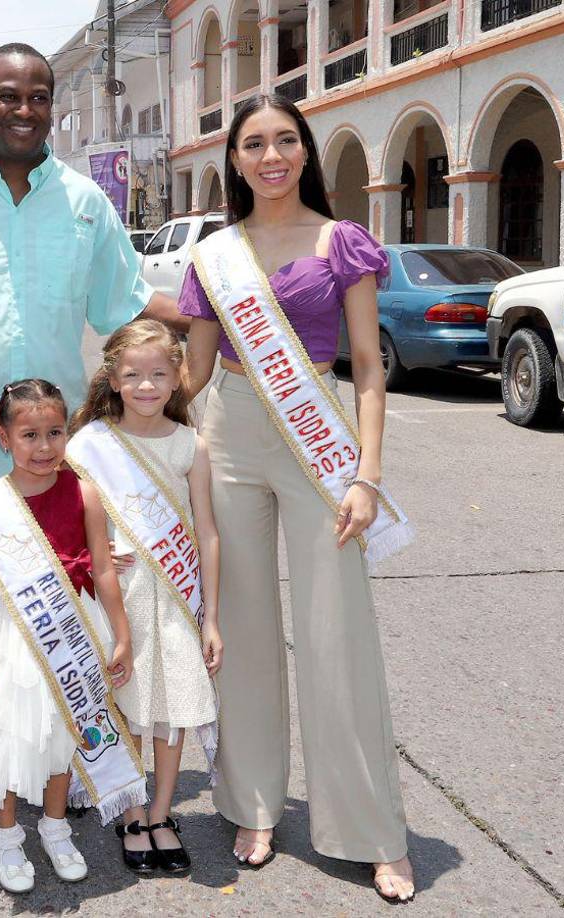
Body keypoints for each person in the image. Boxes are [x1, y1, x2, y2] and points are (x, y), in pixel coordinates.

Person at [0, 41, 182, 825]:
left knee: (61, 615)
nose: (25, 110)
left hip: (55, 461)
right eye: (9, 96)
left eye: (39, 96)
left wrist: (211, 325)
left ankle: (60, 762)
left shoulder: (87, 204)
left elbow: (124, 306)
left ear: (53, 106)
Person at [180, 92, 416, 902]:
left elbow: (367, 363)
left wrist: (368, 473)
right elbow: (195, 375)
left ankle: (372, 828)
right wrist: (126, 422)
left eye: (285, 141)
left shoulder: (339, 241)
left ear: (305, 151)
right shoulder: (216, 254)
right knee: (239, 628)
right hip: (232, 434)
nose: (271, 156)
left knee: (336, 633)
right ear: (235, 159)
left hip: (316, 431)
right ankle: (251, 804)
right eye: (254, 144)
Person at [0, 379, 142, 894]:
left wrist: (120, 634)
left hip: (73, 626)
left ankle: (55, 827)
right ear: (4, 439)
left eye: (55, 432)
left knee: (67, 731)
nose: (44, 447)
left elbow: (103, 568)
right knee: (14, 737)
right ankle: (7, 836)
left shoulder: (84, 491)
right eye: (29, 434)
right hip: (15, 636)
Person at [66, 318, 222, 875]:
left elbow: (206, 531)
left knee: (173, 708)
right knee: (129, 708)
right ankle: (131, 809)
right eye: (134, 375)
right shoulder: (89, 443)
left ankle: (161, 812)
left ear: (178, 377)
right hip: (120, 599)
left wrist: (211, 619)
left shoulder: (188, 444)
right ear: (112, 379)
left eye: (160, 374)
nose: (148, 386)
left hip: (177, 598)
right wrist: (98, 549)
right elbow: (71, 521)